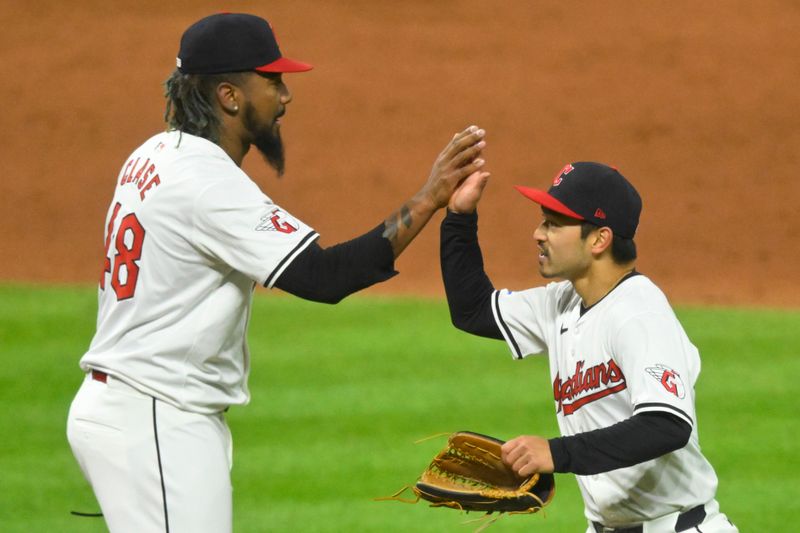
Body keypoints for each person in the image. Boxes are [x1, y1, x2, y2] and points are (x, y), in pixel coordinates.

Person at [66, 12, 488, 533]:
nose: (285, 96)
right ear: (230, 95)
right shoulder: (206, 181)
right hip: (155, 415)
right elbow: (322, 277)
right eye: (273, 81)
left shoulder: (152, 153)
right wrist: (429, 200)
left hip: (126, 407)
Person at [440, 162, 738, 532]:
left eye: (553, 223)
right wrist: (459, 217)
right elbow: (473, 310)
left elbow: (667, 424)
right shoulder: (561, 303)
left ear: (599, 239)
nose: (538, 233)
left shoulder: (639, 312)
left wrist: (556, 452)